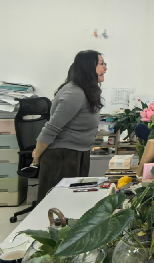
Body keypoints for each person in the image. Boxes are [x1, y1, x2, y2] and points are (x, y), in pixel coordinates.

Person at [34, 50, 107, 201]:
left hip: (78, 154)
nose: (105, 68)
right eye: (101, 64)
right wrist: (37, 155)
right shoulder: (74, 93)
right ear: (88, 67)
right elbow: (51, 128)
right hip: (62, 157)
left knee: (72, 204)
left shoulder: (86, 91)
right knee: (57, 205)